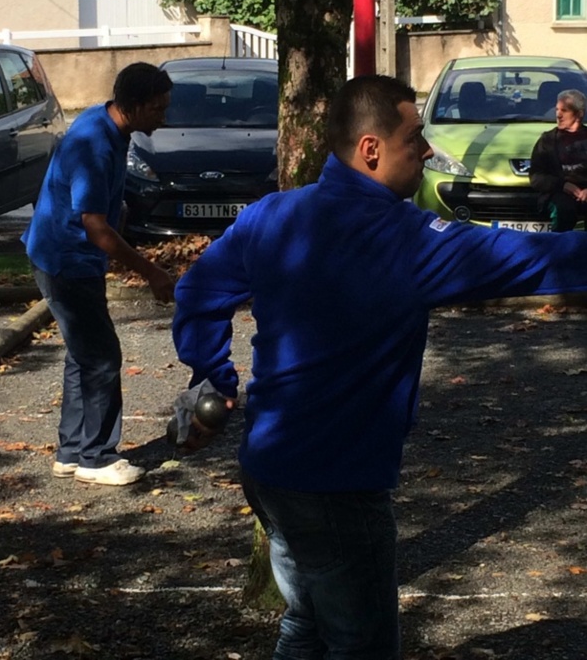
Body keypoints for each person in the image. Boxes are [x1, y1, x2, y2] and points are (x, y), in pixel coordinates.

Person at [172, 75, 587, 660]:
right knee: (361, 642)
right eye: (415, 137)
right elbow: (541, 260)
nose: (426, 150)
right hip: (338, 485)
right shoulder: (406, 239)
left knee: (308, 622)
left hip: (271, 469)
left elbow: (197, 292)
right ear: (371, 149)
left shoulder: (272, 215)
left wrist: (214, 378)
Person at [22, 62, 175, 487]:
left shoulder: (105, 121)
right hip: (65, 260)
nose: (164, 116)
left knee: (83, 355)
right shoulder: (94, 144)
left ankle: (72, 452)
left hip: (63, 255)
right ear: (136, 106)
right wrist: (152, 272)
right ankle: (97, 456)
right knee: (103, 357)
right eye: (159, 109)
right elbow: (94, 225)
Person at [529, 89, 587, 231]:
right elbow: (536, 176)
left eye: (564, 110)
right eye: (557, 109)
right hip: (557, 194)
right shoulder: (547, 140)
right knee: (563, 210)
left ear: (579, 114)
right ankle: (559, 250)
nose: (558, 115)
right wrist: (563, 185)